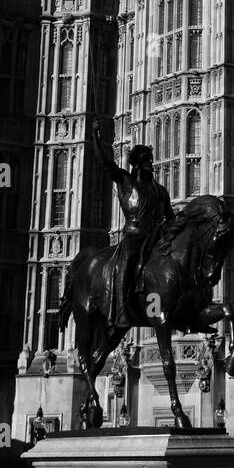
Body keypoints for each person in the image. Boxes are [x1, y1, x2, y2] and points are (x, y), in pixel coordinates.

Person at [92, 117, 172, 330]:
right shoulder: (126, 181)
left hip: (156, 238)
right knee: (126, 265)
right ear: (137, 163)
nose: (151, 165)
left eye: (151, 160)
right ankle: (120, 310)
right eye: (147, 160)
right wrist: (95, 137)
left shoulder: (160, 191)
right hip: (134, 237)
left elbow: (171, 220)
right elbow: (105, 164)